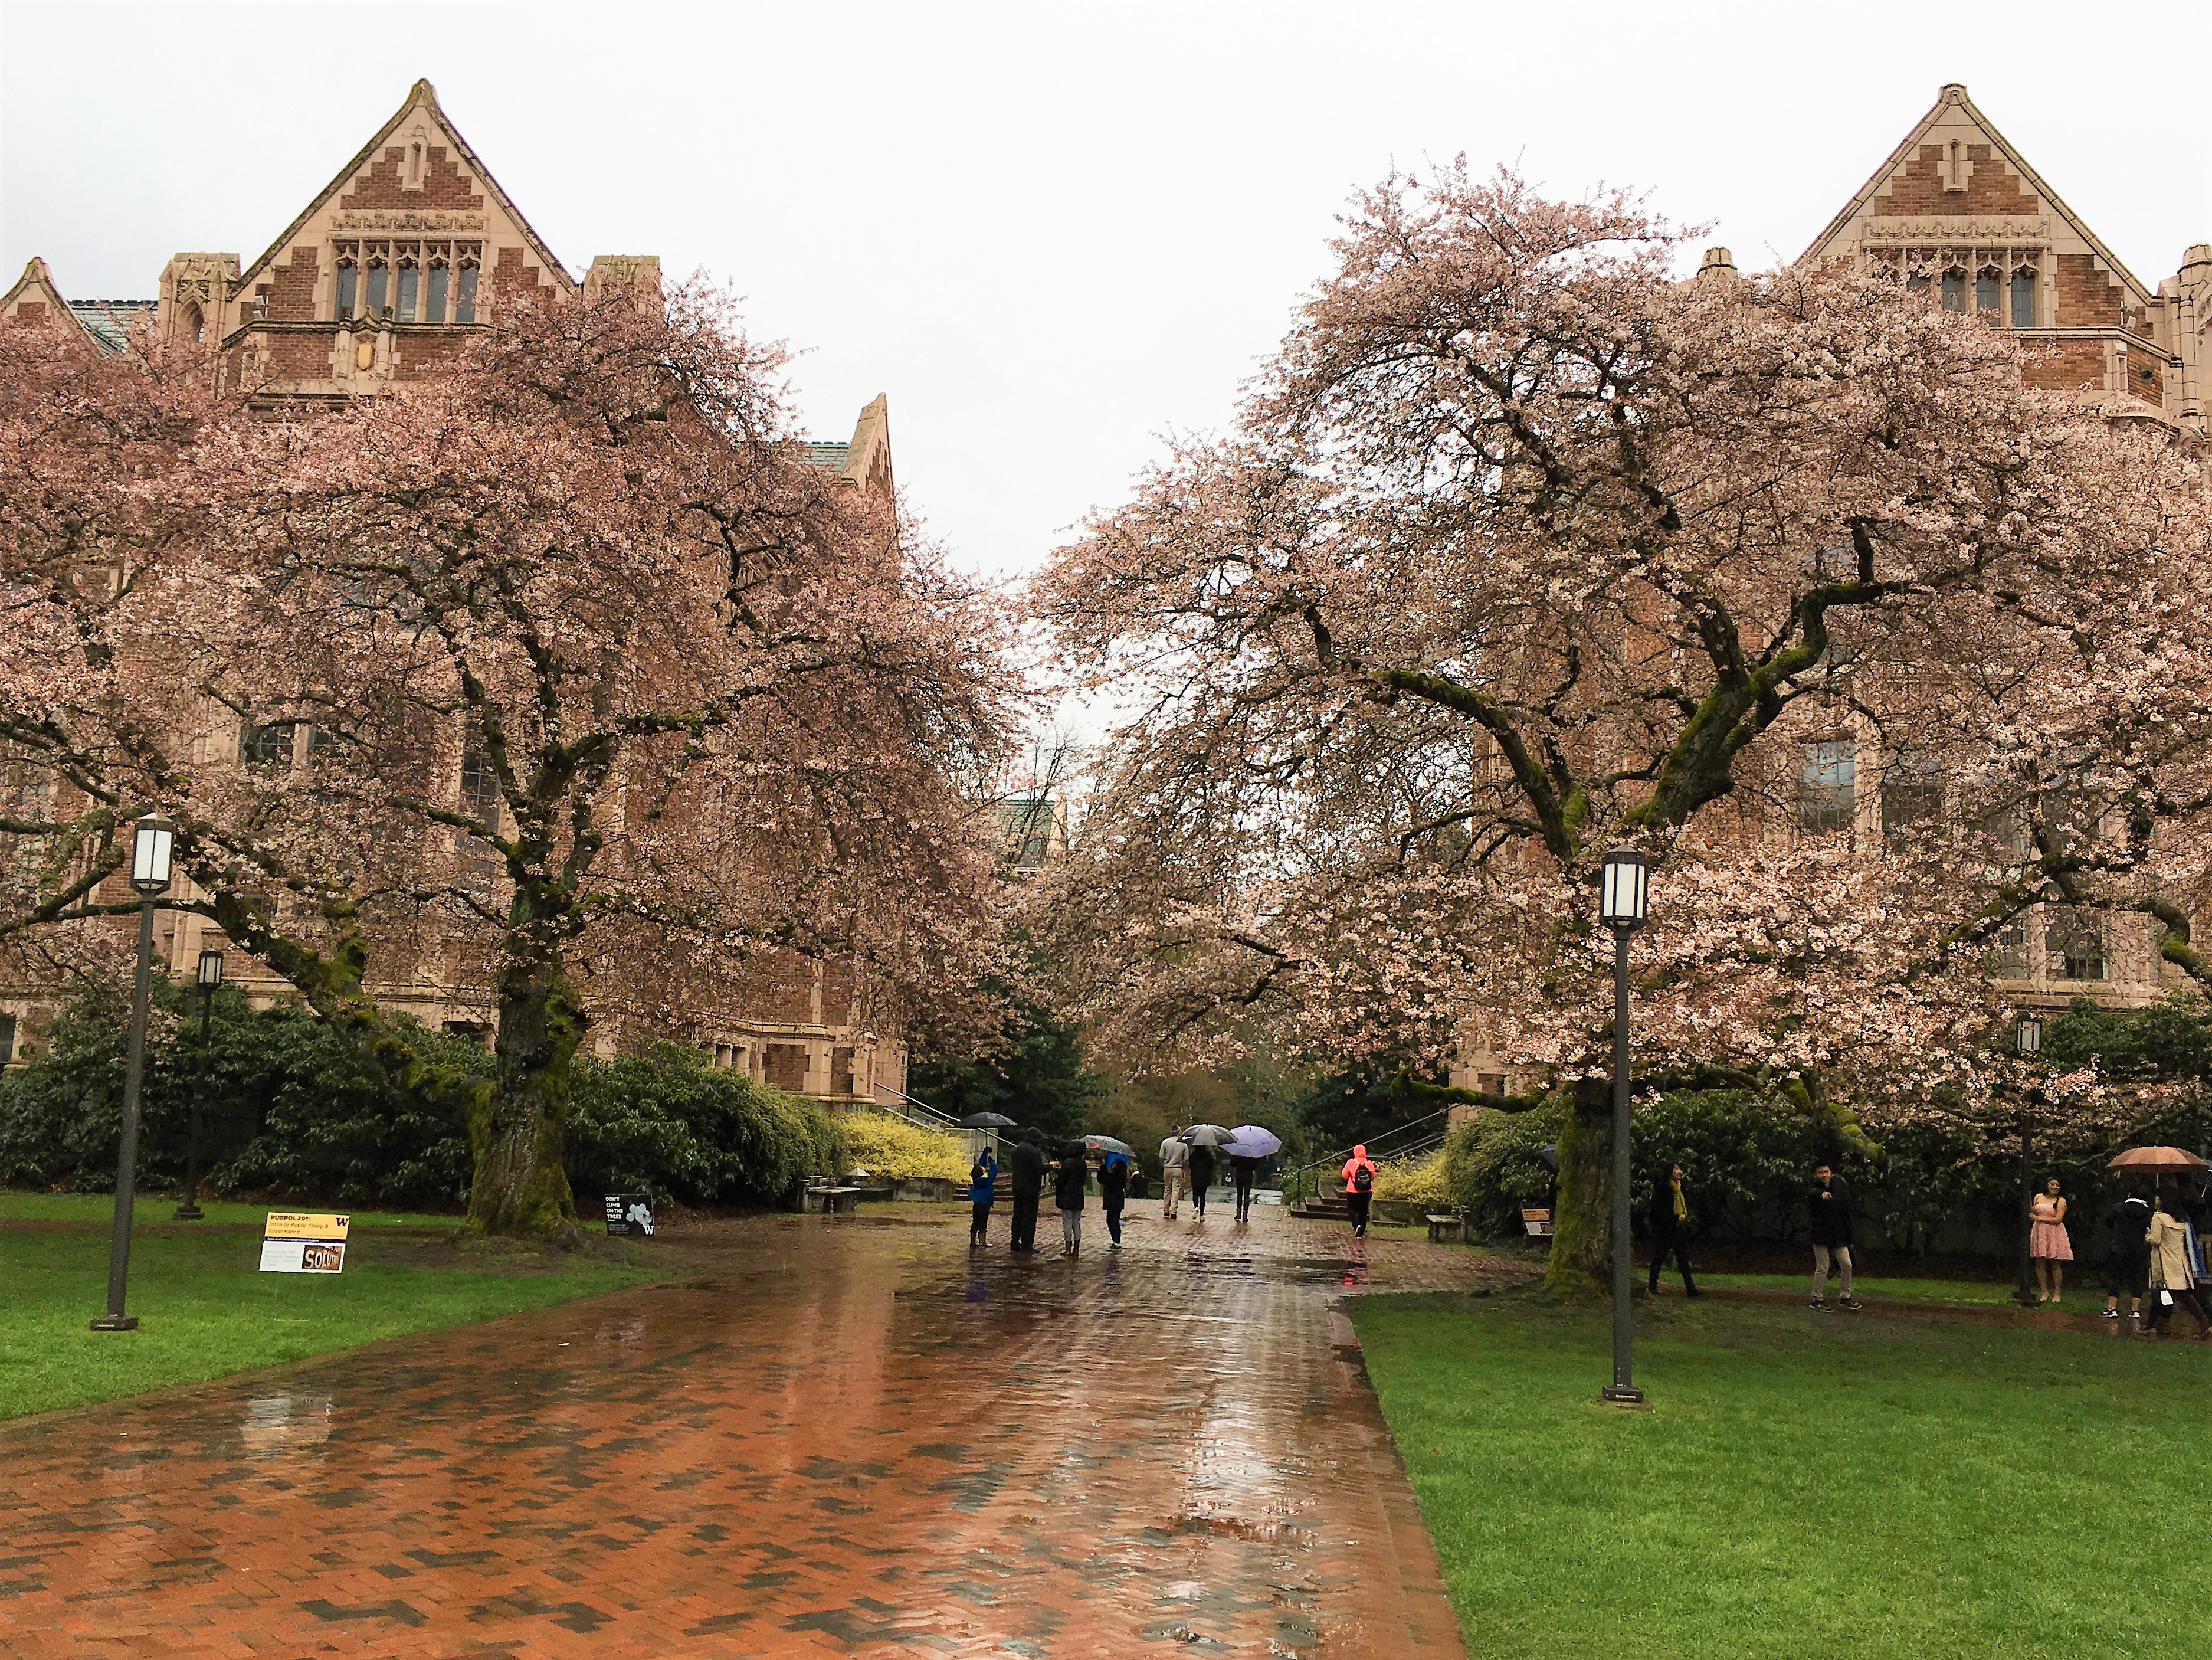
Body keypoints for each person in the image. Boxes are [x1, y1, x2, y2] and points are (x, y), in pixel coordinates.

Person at [2143, 1188, 2212, 1339]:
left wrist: (2147, 1235)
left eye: (2158, 1197)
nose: (2156, 1200)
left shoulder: (2158, 1217)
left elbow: (2156, 1240)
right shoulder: (2181, 1218)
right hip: (2179, 1262)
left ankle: (2152, 1326)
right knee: (2182, 1296)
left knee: (2159, 1294)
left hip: (2163, 1263)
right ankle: (2202, 1324)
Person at [1808, 1163, 1862, 1311]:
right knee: (1823, 1267)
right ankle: (1817, 1298)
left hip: (1838, 1236)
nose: (1824, 1175)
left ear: (1831, 1172)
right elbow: (1811, 1193)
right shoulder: (1814, 1189)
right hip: (1820, 1236)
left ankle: (1845, 1296)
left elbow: (1846, 1211)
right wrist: (1821, 1195)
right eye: (1820, 1172)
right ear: (1816, 1175)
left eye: (1826, 1171)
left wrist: (1849, 1236)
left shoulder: (1839, 1187)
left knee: (1847, 1264)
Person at [1646, 1162, 1700, 1297]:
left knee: (1682, 1257)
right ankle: (1652, 1287)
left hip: (1677, 1229)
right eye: (1676, 1169)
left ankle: (1691, 1289)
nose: (1680, 1172)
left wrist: (1681, 1219)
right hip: (1665, 1229)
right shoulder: (1664, 1189)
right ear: (1670, 1172)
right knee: (1659, 1257)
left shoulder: (1679, 1189)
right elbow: (1659, 1212)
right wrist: (1674, 1219)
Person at [2102, 1186, 2154, 1322]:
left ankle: (2111, 1308)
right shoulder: (2148, 1211)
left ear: (2129, 1194)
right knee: (2137, 1278)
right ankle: (2135, 1310)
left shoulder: (2119, 1208)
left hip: (2120, 1247)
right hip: (2139, 1249)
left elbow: (2108, 1222)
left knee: (2116, 1277)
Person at [2029, 1177, 2073, 1303]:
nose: (2055, 1187)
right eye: (2052, 1184)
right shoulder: (2038, 1197)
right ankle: (2044, 1292)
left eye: (2058, 1185)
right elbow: (2033, 1211)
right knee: (2040, 1262)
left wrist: (2039, 1219)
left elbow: (2058, 1219)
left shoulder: (2061, 1201)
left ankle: (2057, 1293)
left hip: (2054, 1232)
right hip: (2039, 1231)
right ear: (2046, 1185)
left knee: (2055, 1263)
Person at [1008, 1131, 1046, 1253]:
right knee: (1029, 1217)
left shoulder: (1017, 1149)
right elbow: (1039, 1169)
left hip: (1018, 1186)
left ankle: (1014, 1243)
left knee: (1018, 1215)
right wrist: (1050, 1166)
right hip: (1031, 1188)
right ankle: (1027, 1244)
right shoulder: (1034, 1152)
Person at [1053, 1140, 1089, 1257]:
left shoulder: (1068, 1162)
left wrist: (1056, 1181)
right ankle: (1076, 1249)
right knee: (1076, 1222)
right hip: (1078, 1196)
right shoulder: (1083, 1164)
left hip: (1067, 1195)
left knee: (1067, 1222)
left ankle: (1068, 1247)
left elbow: (1062, 1180)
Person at [1342, 1144, 1377, 1238]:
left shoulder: (1351, 1162)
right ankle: (1361, 1230)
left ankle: (1356, 1225)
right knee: (1364, 1210)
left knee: (1351, 1208)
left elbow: (1344, 1175)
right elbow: (1372, 1177)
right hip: (1366, 1191)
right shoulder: (1369, 1163)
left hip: (1353, 1191)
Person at [967, 1145, 998, 1248]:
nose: (984, 1168)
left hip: (977, 1203)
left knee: (975, 1221)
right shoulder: (986, 1178)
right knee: (983, 1221)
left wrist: (986, 1153)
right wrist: (991, 1160)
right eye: (983, 1169)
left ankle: (973, 1241)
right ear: (981, 1172)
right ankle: (982, 1241)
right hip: (985, 1204)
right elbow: (994, 1171)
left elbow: (981, 1164)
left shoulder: (977, 1179)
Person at [1099, 1150, 1130, 1249]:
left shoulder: (1117, 1176)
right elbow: (1103, 1180)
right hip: (1115, 1200)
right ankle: (1115, 1240)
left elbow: (1106, 1180)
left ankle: (1117, 1240)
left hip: (1114, 1200)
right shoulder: (1117, 1175)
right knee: (1111, 1220)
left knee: (1113, 1220)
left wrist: (1103, 1169)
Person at [1159, 1129, 1191, 1220]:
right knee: (1176, 1190)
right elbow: (1186, 1159)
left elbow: (1161, 1156)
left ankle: (1166, 1210)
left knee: (1167, 1189)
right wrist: (1183, 1166)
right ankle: (1173, 1211)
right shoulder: (1183, 1144)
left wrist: (1164, 1165)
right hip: (1178, 1168)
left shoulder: (1165, 1142)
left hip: (1167, 1168)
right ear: (1179, 1132)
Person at [1188, 1142, 1216, 1220]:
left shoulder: (1193, 1156)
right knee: (1203, 1196)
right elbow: (1211, 1166)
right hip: (1205, 1178)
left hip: (1195, 1177)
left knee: (1195, 1194)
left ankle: (1196, 1207)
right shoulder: (1208, 1155)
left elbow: (1190, 1165)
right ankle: (1201, 1215)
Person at [1230, 1152, 1260, 1223]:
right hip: (1248, 1175)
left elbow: (1232, 1164)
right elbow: (1255, 1166)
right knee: (1247, 1195)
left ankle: (1238, 1213)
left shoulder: (1238, 1152)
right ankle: (1245, 1215)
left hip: (1239, 1174)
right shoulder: (1252, 1153)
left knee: (1239, 1194)